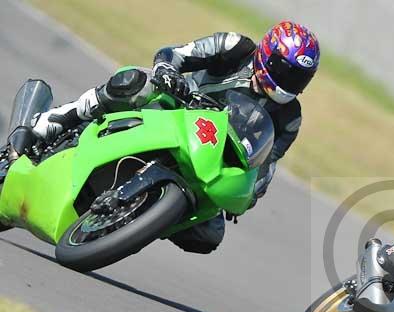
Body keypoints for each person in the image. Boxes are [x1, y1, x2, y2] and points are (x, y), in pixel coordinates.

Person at [5, 21, 320, 253]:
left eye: (298, 78)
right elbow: (176, 53)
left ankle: (137, 217)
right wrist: (167, 70)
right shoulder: (235, 48)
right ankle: (53, 121)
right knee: (135, 82)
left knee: (210, 234)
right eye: (284, 70)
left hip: (211, 157)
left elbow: (266, 165)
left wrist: (249, 193)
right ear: (267, 54)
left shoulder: (289, 117)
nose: (288, 82)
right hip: (177, 106)